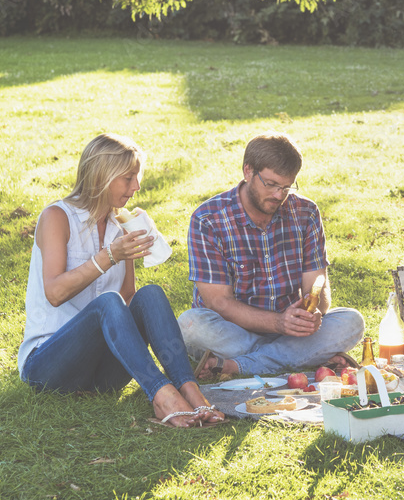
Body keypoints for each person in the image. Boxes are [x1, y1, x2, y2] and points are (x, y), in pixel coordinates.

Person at [19, 134, 224, 428]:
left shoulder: (122, 226)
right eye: (128, 178)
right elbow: (54, 292)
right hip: (48, 365)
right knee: (107, 303)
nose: (136, 187)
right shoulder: (57, 217)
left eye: (136, 178)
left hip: (101, 377)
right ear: (102, 176)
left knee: (150, 294)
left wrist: (132, 248)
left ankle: (189, 389)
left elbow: (129, 297)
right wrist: (109, 256)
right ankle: (162, 395)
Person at [178, 131, 365, 377]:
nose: (279, 195)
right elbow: (218, 303)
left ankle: (238, 365)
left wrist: (312, 314)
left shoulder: (305, 212)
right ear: (248, 172)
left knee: (351, 322)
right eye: (271, 184)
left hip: (290, 330)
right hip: (232, 329)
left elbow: (317, 288)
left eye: (286, 186)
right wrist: (278, 323)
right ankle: (296, 357)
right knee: (190, 326)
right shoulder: (208, 219)